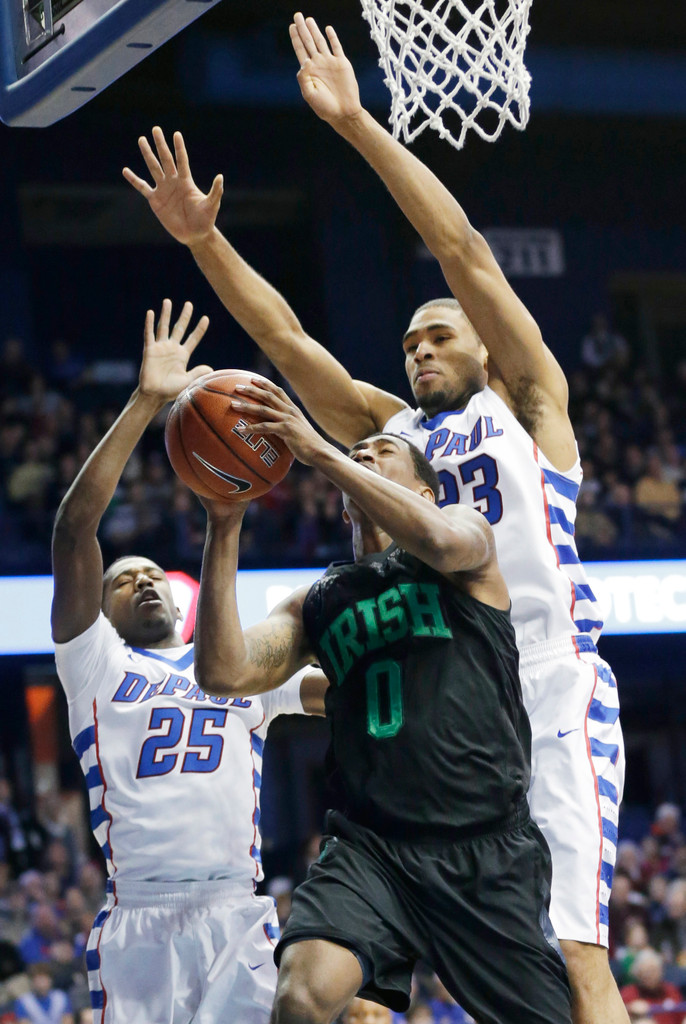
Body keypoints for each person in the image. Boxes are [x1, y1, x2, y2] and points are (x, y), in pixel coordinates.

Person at [122, 19, 625, 1022]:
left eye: (437, 334)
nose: (418, 349)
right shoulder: (391, 433)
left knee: (571, 957)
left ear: (484, 348)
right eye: (407, 343)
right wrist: (202, 238)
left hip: (545, 684)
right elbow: (283, 340)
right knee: (348, 991)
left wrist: (356, 123)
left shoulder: (527, 408)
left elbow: (461, 249)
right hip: (442, 695)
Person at [191, 375, 571, 1024]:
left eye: (382, 451)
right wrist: (223, 525)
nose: (364, 452)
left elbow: (443, 540)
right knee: (301, 997)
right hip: (371, 848)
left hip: (484, 845)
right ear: (345, 508)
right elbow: (223, 672)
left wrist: (320, 451)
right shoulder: (318, 602)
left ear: (424, 493)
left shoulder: (465, 541)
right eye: (357, 453)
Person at [50, 300, 325, 1024]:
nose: (142, 581)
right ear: (100, 611)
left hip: (236, 906)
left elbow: (348, 693)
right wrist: (147, 401)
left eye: (152, 576)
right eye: (122, 580)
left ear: (181, 601)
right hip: (139, 915)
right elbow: (75, 531)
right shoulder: (94, 667)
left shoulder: (246, 669)